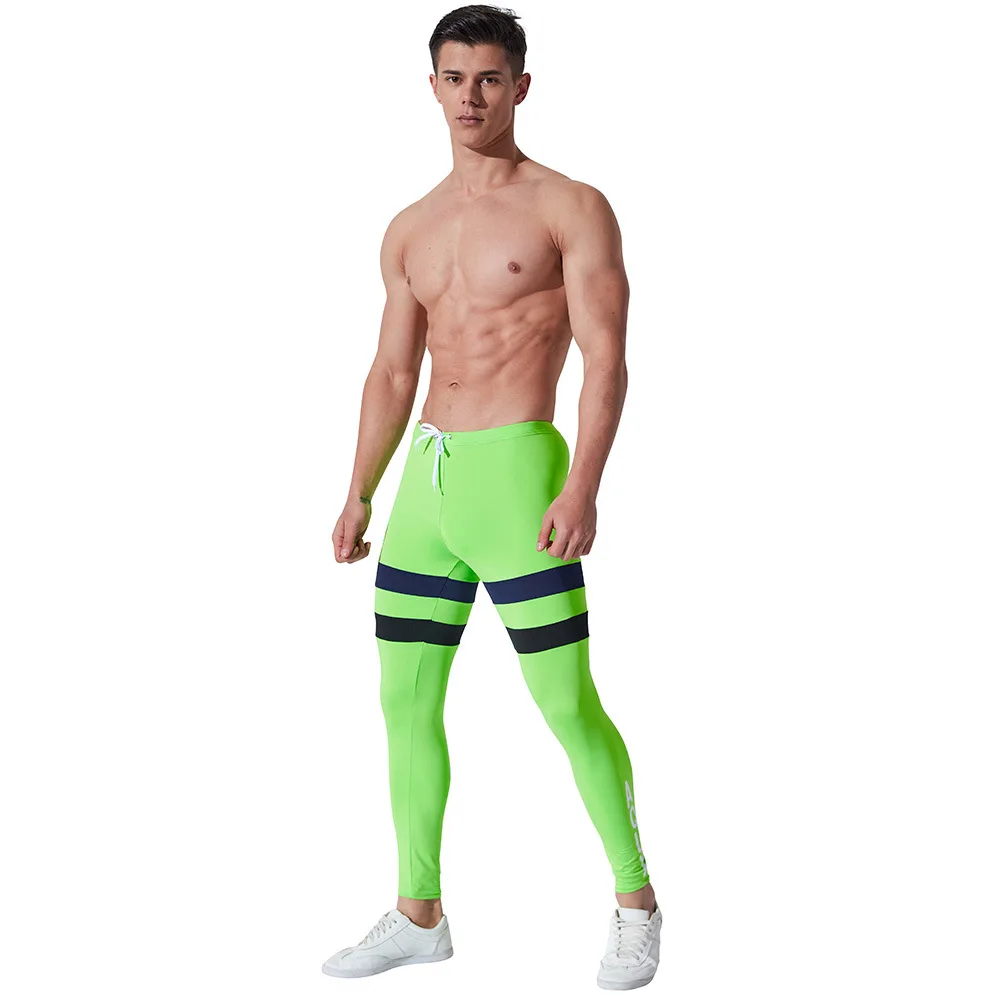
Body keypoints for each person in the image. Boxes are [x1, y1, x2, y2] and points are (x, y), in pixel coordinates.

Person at [323, 4, 660, 990]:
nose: (470, 96)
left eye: (488, 78)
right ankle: (417, 912)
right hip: (426, 490)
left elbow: (606, 361)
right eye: (453, 78)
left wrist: (583, 483)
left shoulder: (570, 206)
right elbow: (393, 372)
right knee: (404, 702)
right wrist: (358, 491)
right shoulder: (410, 227)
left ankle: (635, 902)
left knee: (563, 699)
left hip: (518, 477)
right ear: (431, 87)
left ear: (520, 86)